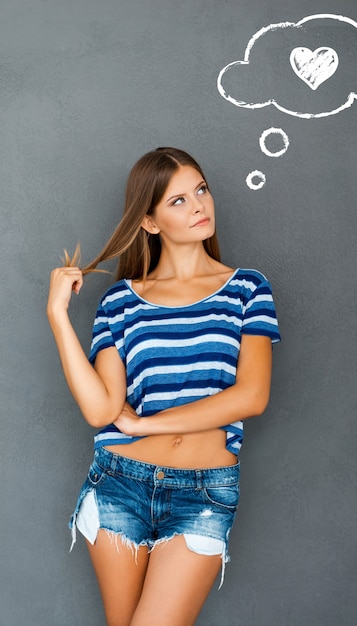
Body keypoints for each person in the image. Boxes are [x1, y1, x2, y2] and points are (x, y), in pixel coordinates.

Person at [47, 147, 280, 626]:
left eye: (201, 190)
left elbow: (251, 396)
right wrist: (57, 316)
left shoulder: (248, 289)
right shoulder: (121, 301)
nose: (198, 205)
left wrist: (145, 423)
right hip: (118, 483)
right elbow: (100, 409)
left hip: (204, 492)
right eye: (177, 201)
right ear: (149, 222)